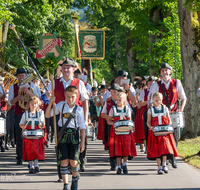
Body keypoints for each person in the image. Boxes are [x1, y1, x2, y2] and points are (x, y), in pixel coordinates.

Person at [46, 58, 88, 178]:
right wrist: (48, 96)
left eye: (68, 68)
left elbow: (85, 101)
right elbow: (48, 97)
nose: (65, 70)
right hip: (59, 117)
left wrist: (85, 118)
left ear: (73, 69)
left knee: (79, 142)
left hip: (76, 116)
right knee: (60, 144)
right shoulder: (53, 83)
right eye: (63, 68)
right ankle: (61, 171)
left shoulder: (79, 83)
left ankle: (77, 165)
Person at [45, 86, 86, 190]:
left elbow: (82, 127)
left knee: (74, 161)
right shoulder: (61, 105)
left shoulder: (79, 110)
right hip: (62, 136)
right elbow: (48, 115)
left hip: (74, 136)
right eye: (68, 97)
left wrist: (83, 142)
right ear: (65, 96)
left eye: (72, 97)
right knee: (63, 160)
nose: (70, 99)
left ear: (76, 97)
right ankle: (66, 184)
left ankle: (75, 179)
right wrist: (51, 102)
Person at [148, 62, 187, 168]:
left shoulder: (176, 82)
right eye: (162, 70)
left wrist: (181, 109)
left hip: (174, 113)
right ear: (160, 73)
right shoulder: (156, 85)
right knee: (163, 136)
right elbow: (150, 100)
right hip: (161, 115)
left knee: (174, 135)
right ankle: (166, 158)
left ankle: (172, 156)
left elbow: (183, 97)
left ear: (170, 72)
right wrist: (154, 108)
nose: (165, 72)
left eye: (166, 70)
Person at [8, 68, 41, 165]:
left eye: (23, 75)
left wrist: (28, 93)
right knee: (19, 135)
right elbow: (10, 102)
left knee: (31, 136)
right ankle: (19, 157)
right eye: (19, 76)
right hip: (19, 113)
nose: (21, 77)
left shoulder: (32, 86)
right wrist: (17, 98)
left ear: (26, 76)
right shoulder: (12, 87)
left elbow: (38, 99)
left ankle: (30, 156)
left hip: (31, 114)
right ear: (17, 77)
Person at [147, 92, 178, 174]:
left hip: (164, 132)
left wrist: (170, 126)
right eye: (156, 100)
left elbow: (169, 119)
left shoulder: (165, 108)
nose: (158, 102)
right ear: (153, 100)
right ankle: (159, 167)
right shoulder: (150, 109)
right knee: (157, 150)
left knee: (165, 149)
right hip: (156, 133)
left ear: (162, 100)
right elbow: (148, 122)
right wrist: (151, 127)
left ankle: (164, 164)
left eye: (160, 100)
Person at [107, 92, 137, 174]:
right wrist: (114, 124)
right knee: (118, 150)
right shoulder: (113, 109)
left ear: (124, 100)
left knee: (126, 149)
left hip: (126, 132)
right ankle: (119, 167)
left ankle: (125, 164)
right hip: (116, 132)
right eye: (117, 100)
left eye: (120, 100)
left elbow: (130, 120)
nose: (118, 101)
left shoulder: (127, 109)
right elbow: (108, 121)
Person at [19, 96, 46, 173]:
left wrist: (41, 125)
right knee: (29, 151)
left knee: (36, 151)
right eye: (32, 104)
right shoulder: (25, 114)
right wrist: (23, 126)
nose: (34, 105)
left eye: (35, 104)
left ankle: (36, 165)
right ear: (29, 104)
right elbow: (21, 123)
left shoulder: (40, 113)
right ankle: (31, 166)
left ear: (38, 105)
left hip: (37, 136)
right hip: (28, 136)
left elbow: (43, 123)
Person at [101, 83, 121, 170]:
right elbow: (102, 114)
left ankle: (122, 163)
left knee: (121, 144)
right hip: (111, 125)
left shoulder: (123, 101)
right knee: (112, 144)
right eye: (111, 92)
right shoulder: (108, 102)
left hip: (121, 125)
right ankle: (113, 163)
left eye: (114, 92)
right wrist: (110, 117)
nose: (112, 94)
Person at [139, 76, 155, 149]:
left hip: (156, 112)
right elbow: (140, 103)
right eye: (149, 83)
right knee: (147, 129)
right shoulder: (143, 91)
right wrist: (149, 102)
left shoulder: (157, 90)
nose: (151, 84)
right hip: (146, 112)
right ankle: (148, 147)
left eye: (152, 83)